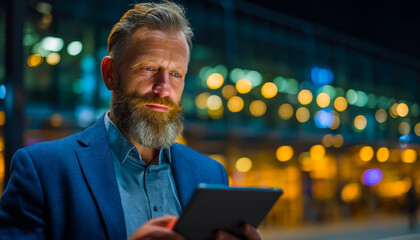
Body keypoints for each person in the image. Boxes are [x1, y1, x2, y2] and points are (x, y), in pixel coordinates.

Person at [0, 1, 262, 239]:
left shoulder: (210, 173)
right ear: (110, 73)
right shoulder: (43, 169)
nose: (163, 87)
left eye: (176, 74)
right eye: (148, 68)